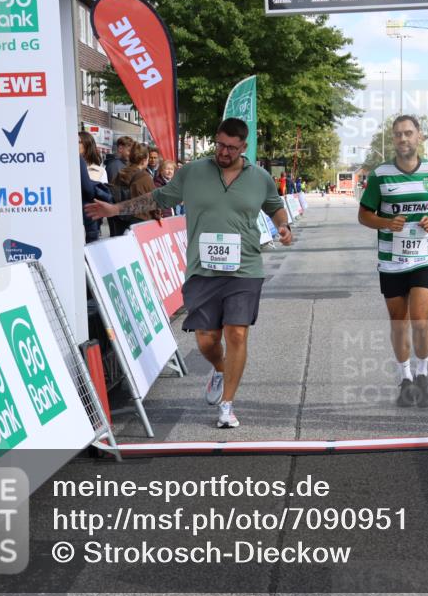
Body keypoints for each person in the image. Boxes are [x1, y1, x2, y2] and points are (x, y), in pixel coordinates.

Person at [84, 118, 291, 429]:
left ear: (243, 148)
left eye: (232, 148)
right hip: (202, 269)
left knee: (237, 332)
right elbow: (158, 198)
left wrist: (283, 225)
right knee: (207, 340)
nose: (224, 152)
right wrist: (116, 210)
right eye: (220, 145)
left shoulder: (259, 177)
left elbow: (275, 205)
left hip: (245, 267)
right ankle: (219, 369)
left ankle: (227, 405)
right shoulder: (193, 172)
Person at [357, 115, 428, 408]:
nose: (403, 139)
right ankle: (405, 378)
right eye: (398, 134)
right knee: (399, 323)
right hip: (392, 260)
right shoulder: (380, 175)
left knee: (421, 321)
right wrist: (385, 222)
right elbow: (364, 215)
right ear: (393, 139)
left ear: (419, 136)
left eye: (408, 133)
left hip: (424, 257)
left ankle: (423, 374)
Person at [108, 142, 156, 235]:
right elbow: (154, 200)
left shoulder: (120, 173)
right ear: (144, 160)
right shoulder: (145, 177)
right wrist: (158, 215)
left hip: (120, 218)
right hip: (140, 221)